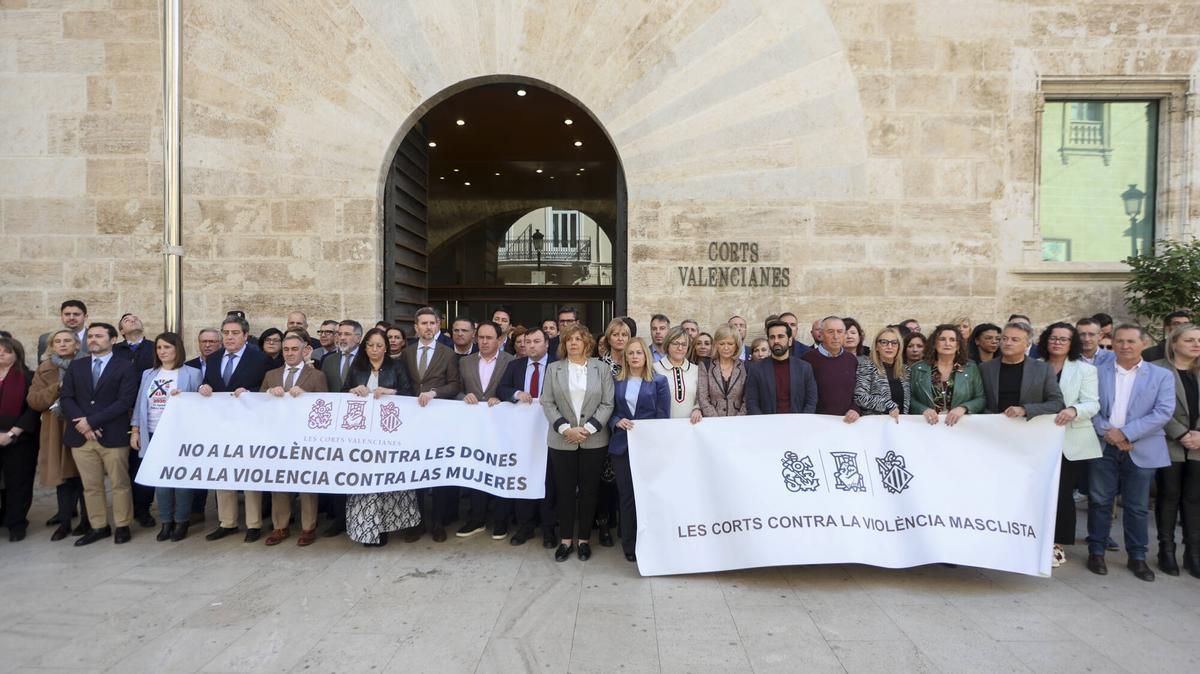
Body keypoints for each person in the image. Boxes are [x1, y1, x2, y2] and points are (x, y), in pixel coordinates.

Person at [1087, 324, 1176, 581]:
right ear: (1111, 343)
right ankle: (1096, 551)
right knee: (1100, 501)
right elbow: (1090, 407)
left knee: (1137, 506)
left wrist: (1126, 433)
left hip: (1142, 447)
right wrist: (1110, 433)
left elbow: (1162, 412)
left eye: (1131, 341)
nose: (1125, 346)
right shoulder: (1095, 371)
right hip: (1103, 444)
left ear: (1143, 344)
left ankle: (1137, 557)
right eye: (1120, 341)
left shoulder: (1161, 376)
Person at [59, 323, 139, 546]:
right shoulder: (77, 366)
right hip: (81, 437)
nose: (93, 339)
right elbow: (67, 398)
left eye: (99, 336)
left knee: (120, 483)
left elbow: (124, 401)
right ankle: (98, 526)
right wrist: (84, 425)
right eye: (91, 336)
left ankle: (122, 525)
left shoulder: (125, 367)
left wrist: (92, 421)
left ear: (113, 340)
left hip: (113, 436)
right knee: (91, 485)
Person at [541, 324, 614, 562]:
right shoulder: (554, 369)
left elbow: (607, 403)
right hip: (562, 440)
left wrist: (588, 429)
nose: (573, 343)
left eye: (578, 339)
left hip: (594, 439)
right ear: (564, 344)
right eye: (569, 339)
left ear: (587, 343)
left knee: (589, 491)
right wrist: (565, 428)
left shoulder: (601, 369)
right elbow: (547, 402)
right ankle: (565, 541)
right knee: (563, 490)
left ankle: (583, 540)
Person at [198, 315, 273, 542]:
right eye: (226, 333)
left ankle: (253, 524)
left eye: (234, 333)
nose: (229, 337)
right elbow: (210, 382)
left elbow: (267, 389)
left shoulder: (260, 359)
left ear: (245, 336)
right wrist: (203, 387)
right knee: (224, 475)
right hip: (221, 425)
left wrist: (250, 393)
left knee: (249, 475)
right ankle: (227, 522)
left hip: (250, 424)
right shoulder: (213, 358)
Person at [342, 328, 419, 547]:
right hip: (362, 437)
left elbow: (409, 394)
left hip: (390, 434)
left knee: (389, 482)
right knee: (366, 484)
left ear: (387, 347)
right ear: (364, 347)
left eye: (379, 345)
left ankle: (388, 526)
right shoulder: (356, 368)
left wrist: (390, 392)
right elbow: (341, 392)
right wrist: (353, 391)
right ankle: (368, 527)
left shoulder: (397, 366)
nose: (374, 350)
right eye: (370, 345)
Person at [1039, 322, 1101, 568]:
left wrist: (1074, 409)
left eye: (1063, 339)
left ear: (1071, 343)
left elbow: (1093, 404)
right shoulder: (1036, 366)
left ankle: (1058, 544)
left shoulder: (1085, 370)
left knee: (1062, 493)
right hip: (1038, 440)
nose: (1057, 342)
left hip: (1071, 441)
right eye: (1053, 338)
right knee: (1040, 492)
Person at [131, 332, 202, 542]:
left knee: (181, 479)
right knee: (160, 480)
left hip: (180, 435)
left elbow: (200, 404)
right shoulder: (148, 374)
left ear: (177, 349)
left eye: (167, 347)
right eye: (159, 348)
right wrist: (135, 430)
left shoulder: (192, 373)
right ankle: (166, 522)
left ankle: (182, 521)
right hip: (153, 432)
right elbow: (139, 404)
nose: (163, 351)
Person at [259, 333, 328, 546]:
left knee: (307, 483)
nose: (289, 353)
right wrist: (269, 392)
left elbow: (324, 407)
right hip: (278, 438)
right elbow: (258, 403)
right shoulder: (271, 374)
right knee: (279, 482)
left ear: (304, 350)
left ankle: (308, 527)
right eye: (286, 349)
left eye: (294, 349)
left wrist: (306, 395)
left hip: (306, 438)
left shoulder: (316, 375)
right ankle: (280, 526)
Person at [493, 327, 557, 547]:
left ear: (547, 344)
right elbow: (501, 389)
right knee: (524, 477)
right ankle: (525, 527)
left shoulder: (557, 366)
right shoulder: (515, 366)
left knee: (547, 481)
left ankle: (548, 529)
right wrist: (516, 394)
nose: (531, 345)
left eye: (537, 341)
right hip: (522, 435)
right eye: (528, 342)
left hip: (550, 432)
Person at [608, 337, 669, 562]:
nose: (634, 356)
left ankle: (652, 539)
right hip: (622, 447)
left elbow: (663, 416)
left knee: (648, 495)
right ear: (625, 357)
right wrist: (617, 420)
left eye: (638, 353)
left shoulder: (659, 381)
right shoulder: (616, 381)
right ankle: (630, 544)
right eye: (630, 353)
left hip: (649, 447)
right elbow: (610, 411)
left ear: (646, 355)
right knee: (626, 496)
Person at [404, 307, 462, 542]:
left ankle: (437, 523)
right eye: (423, 323)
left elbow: (455, 384)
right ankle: (416, 523)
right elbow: (404, 383)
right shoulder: (406, 354)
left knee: (437, 471)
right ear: (416, 327)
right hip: (412, 422)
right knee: (414, 472)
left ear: (438, 325)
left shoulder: (447, 353)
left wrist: (435, 392)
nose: (428, 327)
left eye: (432, 323)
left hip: (438, 421)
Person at [27, 330, 89, 540]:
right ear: (52, 346)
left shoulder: (88, 365)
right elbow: (34, 400)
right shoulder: (44, 369)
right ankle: (64, 522)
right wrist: (57, 388)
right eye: (58, 341)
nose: (62, 344)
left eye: (67, 340)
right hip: (55, 428)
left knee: (84, 477)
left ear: (77, 344)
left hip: (81, 425)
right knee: (62, 478)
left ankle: (87, 521)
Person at [454, 321, 513, 539]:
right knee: (476, 471)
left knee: (499, 472)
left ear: (499, 340)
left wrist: (503, 398)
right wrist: (463, 397)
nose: (484, 342)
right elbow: (456, 390)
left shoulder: (512, 361)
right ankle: (476, 519)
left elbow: (513, 389)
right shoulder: (464, 362)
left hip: (500, 428)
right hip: (473, 428)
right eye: (481, 337)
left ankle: (501, 521)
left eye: (489, 338)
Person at [1152, 323, 1200, 577]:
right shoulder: (1158, 369)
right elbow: (1157, 406)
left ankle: (1193, 553)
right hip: (1169, 442)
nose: (1196, 344)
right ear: (1175, 343)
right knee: (1169, 496)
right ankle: (1166, 550)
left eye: (1199, 340)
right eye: (1190, 340)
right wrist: (1181, 433)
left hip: (1198, 445)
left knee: (1194, 499)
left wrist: (1198, 435)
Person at [979, 322, 1064, 420]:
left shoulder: (1043, 369)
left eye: (1015, 340)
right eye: (1004, 338)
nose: (1008, 343)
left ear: (1027, 344)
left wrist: (1025, 410)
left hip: (1027, 428)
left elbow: (1057, 403)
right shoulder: (985, 368)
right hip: (993, 426)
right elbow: (979, 400)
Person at [0, 337, 38, 542]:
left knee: (18, 483)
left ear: (17, 354)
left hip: (20, 440)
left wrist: (12, 433)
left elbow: (32, 409)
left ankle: (17, 523)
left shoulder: (28, 378)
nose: (1, 354)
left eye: (6, 351)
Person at [909, 324, 985, 426]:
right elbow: (910, 398)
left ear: (958, 345)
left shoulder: (970, 368)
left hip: (960, 428)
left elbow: (981, 398)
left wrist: (963, 408)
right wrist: (923, 409)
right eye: (942, 339)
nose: (947, 343)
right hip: (927, 427)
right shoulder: (918, 369)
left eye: (952, 340)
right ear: (934, 344)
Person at [745, 321, 818, 415]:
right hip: (767, 426)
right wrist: (762, 424)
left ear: (790, 340)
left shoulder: (804, 368)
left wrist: (802, 422)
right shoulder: (756, 369)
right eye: (772, 337)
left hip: (798, 425)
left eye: (780, 336)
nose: (776, 341)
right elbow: (752, 402)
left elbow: (811, 400)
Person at [801, 317, 861, 420]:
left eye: (840, 332)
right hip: (817, 422)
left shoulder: (851, 360)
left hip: (847, 421)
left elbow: (859, 389)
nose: (836, 336)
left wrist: (855, 409)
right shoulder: (807, 360)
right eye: (830, 332)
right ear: (821, 334)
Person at [853, 327, 909, 420]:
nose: (889, 346)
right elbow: (860, 397)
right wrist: (888, 405)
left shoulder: (905, 370)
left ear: (899, 346)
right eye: (884, 342)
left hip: (900, 425)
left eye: (894, 343)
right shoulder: (867, 367)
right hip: (875, 425)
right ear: (876, 347)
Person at [653, 326, 701, 423]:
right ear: (667, 344)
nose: (680, 348)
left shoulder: (696, 370)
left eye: (684, 344)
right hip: (663, 427)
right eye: (675, 343)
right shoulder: (654, 368)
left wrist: (697, 409)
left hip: (691, 427)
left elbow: (702, 397)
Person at [697, 325, 747, 417]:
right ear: (716, 344)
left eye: (730, 344)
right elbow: (703, 398)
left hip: (739, 423)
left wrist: (738, 420)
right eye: (722, 343)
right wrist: (717, 421)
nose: (726, 348)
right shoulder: (705, 365)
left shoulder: (746, 366)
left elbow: (747, 399)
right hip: (713, 423)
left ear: (736, 345)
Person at [321, 320, 362, 403]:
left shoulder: (367, 359)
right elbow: (323, 388)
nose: (342, 338)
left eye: (347, 334)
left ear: (358, 338)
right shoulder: (329, 360)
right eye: (339, 334)